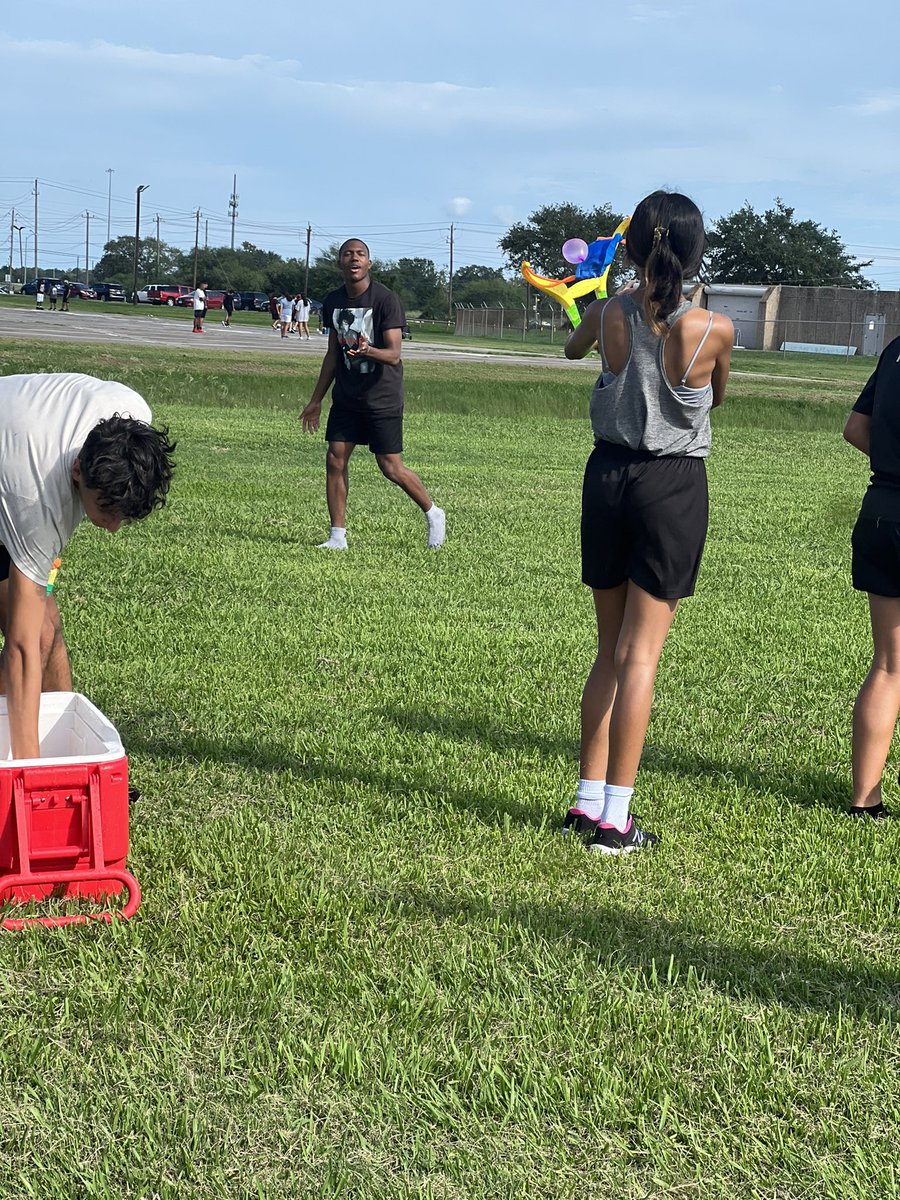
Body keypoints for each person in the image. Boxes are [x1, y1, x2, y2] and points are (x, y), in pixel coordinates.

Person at [562, 191, 733, 854]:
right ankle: (616, 821)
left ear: (629, 246)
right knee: (642, 656)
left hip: (607, 479)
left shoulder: (606, 313)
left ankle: (586, 800)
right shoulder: (712, 328)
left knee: (609, 650)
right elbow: (714, 393)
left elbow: (577, 352)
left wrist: (590, 295)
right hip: (671, 486)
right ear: (693, 255)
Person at [0, 372, 175, 760]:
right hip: (14, 472)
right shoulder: (39, 501)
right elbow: (21, 647)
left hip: (14, 446)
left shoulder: (133, 424)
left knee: (47, 631)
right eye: (107, 512)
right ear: (78, 471)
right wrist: (30, 777)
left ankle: (66, 758)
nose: (113, 529)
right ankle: (19, 766)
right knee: (32, 638)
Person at [300, 238, 445, 550]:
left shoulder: (385, 300)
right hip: (347, 397)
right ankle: (337, 537)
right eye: (348, 254)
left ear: (369, 263)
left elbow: (394, 354)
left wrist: (368, 350)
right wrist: (316, 400)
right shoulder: (334, 301)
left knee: (390, 467)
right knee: (335, 459)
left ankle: (433, 513)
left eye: (360, 254)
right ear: (340, 262)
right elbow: (332, 355)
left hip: (382, 395)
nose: (354, 258)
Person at [843, 335, 900, 820]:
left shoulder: (894, 349)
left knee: (889, 664)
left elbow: (856, 428)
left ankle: (865, 800)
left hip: (882, 511)